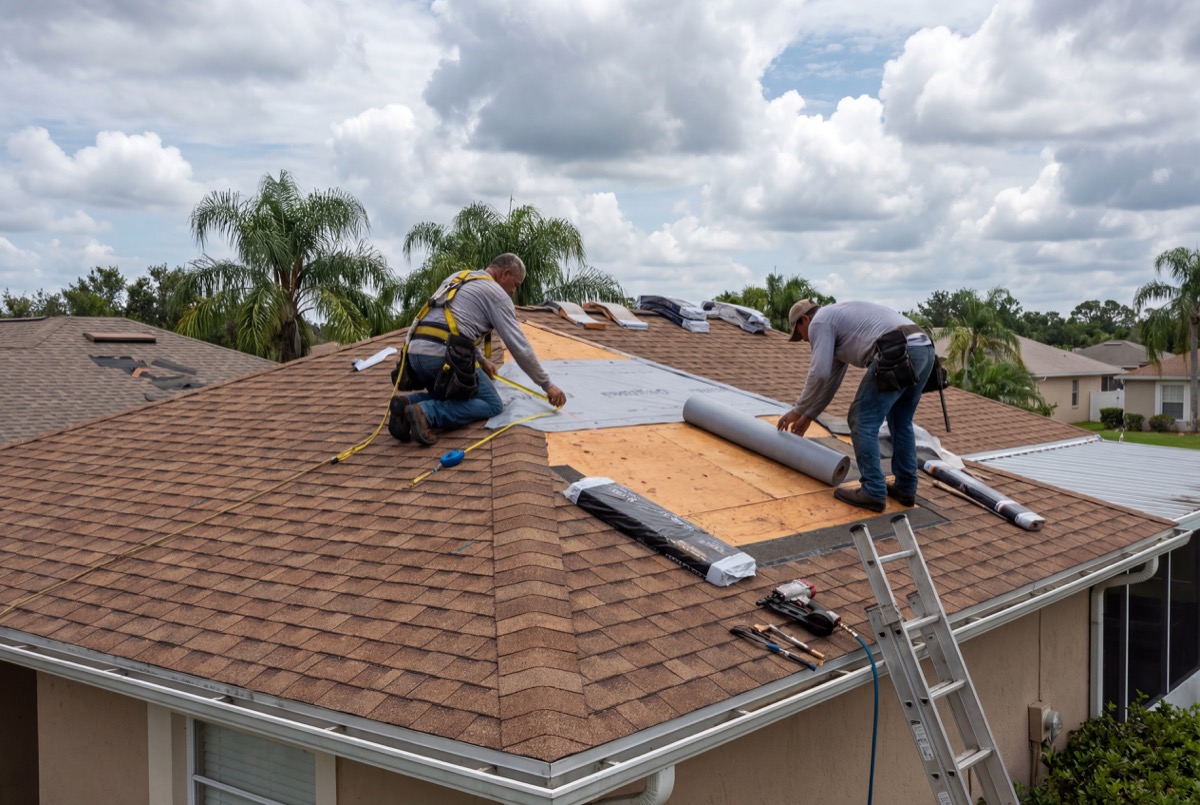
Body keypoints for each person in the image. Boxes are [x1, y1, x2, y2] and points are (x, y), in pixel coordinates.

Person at [776, 299, 935, 513]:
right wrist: (808, 416)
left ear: (805, 319)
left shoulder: (819, 322)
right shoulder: (838, 322)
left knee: (862, 419)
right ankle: (906, 488)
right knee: (900, 419)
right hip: (924, 348)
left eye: (800, 333)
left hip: (897, 348)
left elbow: (819, 374)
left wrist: (796, 410)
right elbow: (830, 382)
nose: (805, 340)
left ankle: (873, 490)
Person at [391, 253, 567, 446]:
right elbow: (519, 346)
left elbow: (453, 325)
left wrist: (482, 360)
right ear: (505, 274)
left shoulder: (459, 277)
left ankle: (408, 403)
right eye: (516, 284)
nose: (513, 292)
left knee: (456, 394)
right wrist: (547, 385)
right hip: (442, 358)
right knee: (492, 404)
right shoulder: (497, 294)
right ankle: (427, 413)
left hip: (414, 356)